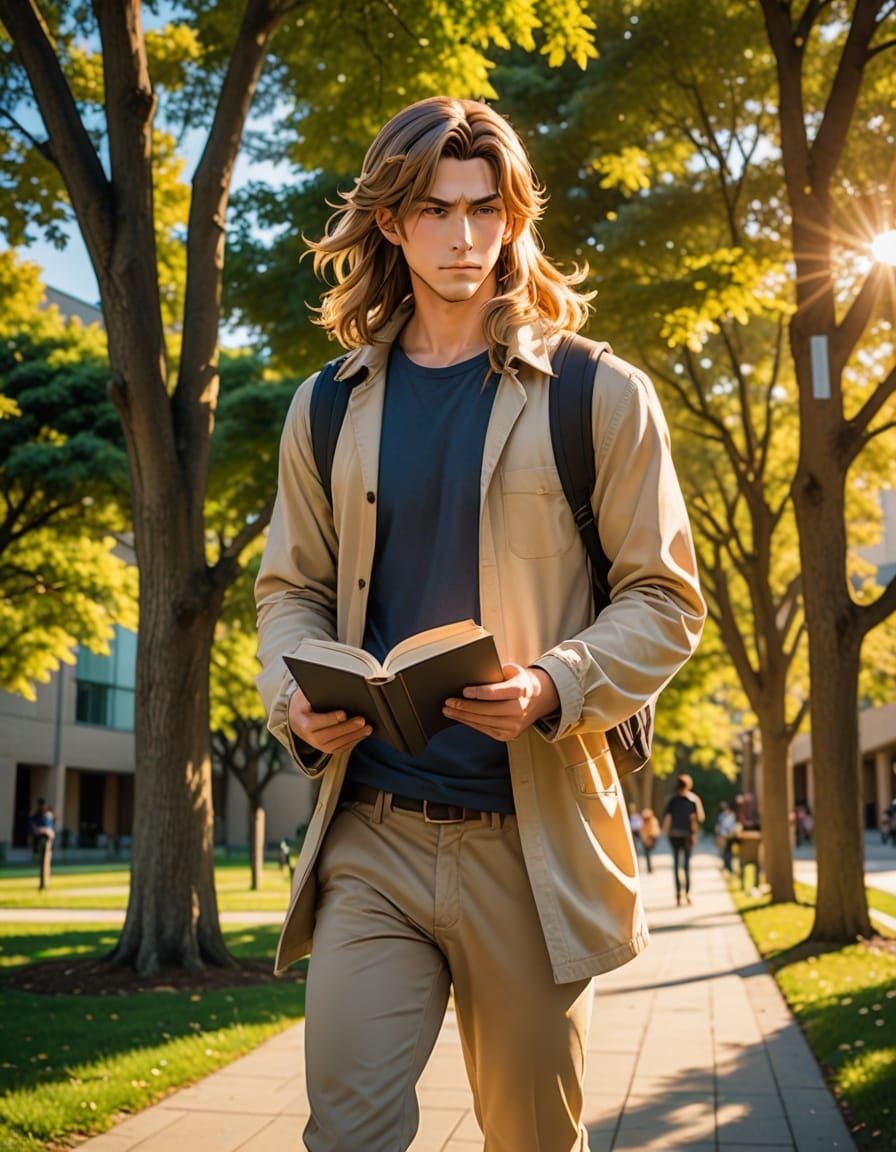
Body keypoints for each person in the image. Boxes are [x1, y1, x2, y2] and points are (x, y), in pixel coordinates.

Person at [255, 96, 705, 1152]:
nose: (463, 237)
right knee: (345, 1134)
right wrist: (293, 690)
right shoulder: (325, 406)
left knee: (532, 1142)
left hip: (530, 847)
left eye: (484, 209)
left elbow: (666, 596)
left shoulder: (598, 393)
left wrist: (554, 682)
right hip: (369, 835)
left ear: (512, 219)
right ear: (389, 223)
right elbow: (288, 591)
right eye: (434, 211)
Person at [662, 774, 700, 905]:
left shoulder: (672, 800)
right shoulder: (693, 800)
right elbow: (695, 820)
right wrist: (694, 834)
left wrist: (663, 832)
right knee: (686, 866)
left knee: (676, 864)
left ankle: (678, 894)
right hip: (687, 836)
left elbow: (668, 818)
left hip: (674, 835)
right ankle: (688, 893)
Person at [714, 800, 736, 872]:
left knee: (728, 852)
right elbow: (718, 826)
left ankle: (729, 867)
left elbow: (732, 826)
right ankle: (726, 866)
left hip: (729, 836)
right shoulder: (721, 816)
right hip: (723, 836)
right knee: (724, 852)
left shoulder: (732, 816)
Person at [639, 807, 661, 874]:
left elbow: (655, 831)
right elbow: (642, 832)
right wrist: (645, 839)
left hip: (652, 838)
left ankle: (649, 868)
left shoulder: (653, 821)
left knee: (648, 853)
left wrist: (650, 838)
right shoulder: (642, 822)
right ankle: (649, 868)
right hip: (646, 840)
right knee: (647, 853)